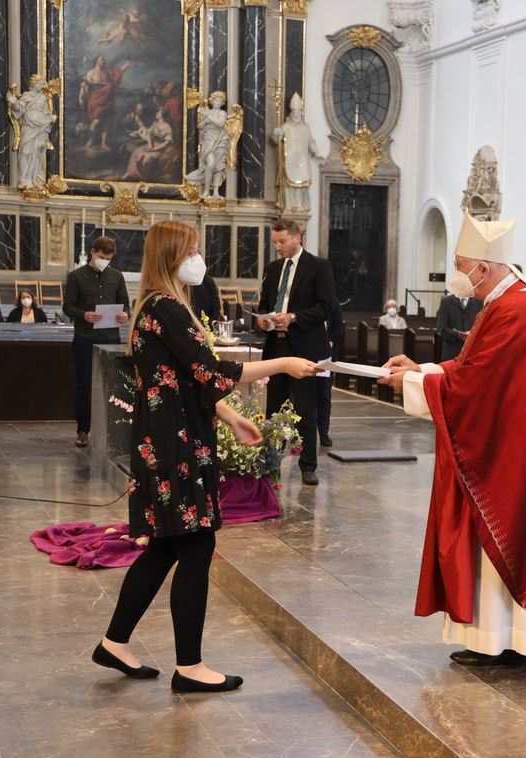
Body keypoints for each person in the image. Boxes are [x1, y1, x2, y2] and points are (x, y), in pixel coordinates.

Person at [93, 220, 319, 693]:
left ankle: (115, 643)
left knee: (164, 546)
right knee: (195, 546)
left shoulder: (158, 307)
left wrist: (232, 418)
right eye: (193, 251)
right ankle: (190, 667)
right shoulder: (169, 308)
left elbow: (186, 377)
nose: (200, 260)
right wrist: (282, 363)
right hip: (174, 443)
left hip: (169, 434)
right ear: (174, 257)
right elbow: (213, 370)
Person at [377, 211, 526, 667]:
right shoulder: (508, 302)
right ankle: (498, 639)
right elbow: (472, 369)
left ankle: (503, 639)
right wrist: (420, 371)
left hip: (506, 453)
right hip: (507, 443)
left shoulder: (518, 309)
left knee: (499, 535)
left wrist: (414, 384)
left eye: (463, 265)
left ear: (485, 267)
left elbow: (476, 387)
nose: (459, 275)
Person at [256, 218, 335, 486]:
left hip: (305, 346)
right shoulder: (272, 268)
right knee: (274, 409)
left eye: (282, 241)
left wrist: (293, 317)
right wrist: (264, 319)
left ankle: (308, 466)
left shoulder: (318, 266)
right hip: (276, 345)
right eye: (274, 242)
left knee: (305, 408)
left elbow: (325, 307)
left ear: (297, 237)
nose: (277, 246)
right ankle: (270, 463)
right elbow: (266, 303)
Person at [64, 236, 131, 448]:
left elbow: (126, 306)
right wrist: (83, 315)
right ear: (92, 252)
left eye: (108, 258)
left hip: (111, 337)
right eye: (102, 257)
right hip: (85, 337)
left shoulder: (117, 276)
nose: (105, 261)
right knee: (84, 385)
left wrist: (125, 316)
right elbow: (68, 307)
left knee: (112, 385)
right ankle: (83, 430)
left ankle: (112, 431)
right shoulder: (76, 276)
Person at [317, 287, 343, 448]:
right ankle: (301, 435)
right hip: (307, 354)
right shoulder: (307, 302)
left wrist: (331, 340)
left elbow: (338, 327)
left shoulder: (333, 303)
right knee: (304, 397)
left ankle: (324, 433)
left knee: (324, 396)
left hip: (326, 355)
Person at [435, 291, 482, 361]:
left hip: (472, 351)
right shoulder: (446, 301)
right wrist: (458, 335)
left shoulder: (479, 301)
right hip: (451, 351)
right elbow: (441, 328)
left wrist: (471, 333)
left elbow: (482, 324)